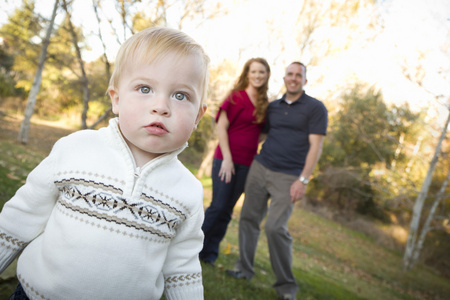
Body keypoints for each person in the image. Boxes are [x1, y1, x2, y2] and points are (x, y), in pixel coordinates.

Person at [0, 27, 209, 300]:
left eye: (180, 95)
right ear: (116, 99)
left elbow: (182, 269)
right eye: (144, 89)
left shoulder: (187, 192)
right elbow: (20, 217)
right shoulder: (76, 150)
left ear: (198, 116)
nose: (161, 106)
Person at [226, 62, 328, 300]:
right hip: (261, 168)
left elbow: (316, 146)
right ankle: (244, 270)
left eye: (298, 75)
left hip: (289, 176)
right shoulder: (273, 107)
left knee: (275, 227)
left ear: (305, 80)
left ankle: (286, 288)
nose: (293, 78)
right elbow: (262, 134)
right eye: (290, 74)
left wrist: (303, 179)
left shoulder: (315, 108)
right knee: (249, 219)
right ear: (284, 78)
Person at [199, 58, 271, 266]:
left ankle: (210, 253)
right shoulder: (235, 97)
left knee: (228, 210)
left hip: (248, 164)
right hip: (225, 159)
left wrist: (253, 143)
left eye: (262, 72)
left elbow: (263, 132)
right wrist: (228, 160)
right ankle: (190, 247)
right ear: (247, 74)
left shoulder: (265, 103)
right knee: (218, 206)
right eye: (254, 71)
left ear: (267, 76)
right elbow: (221, 127)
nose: (257, 75)